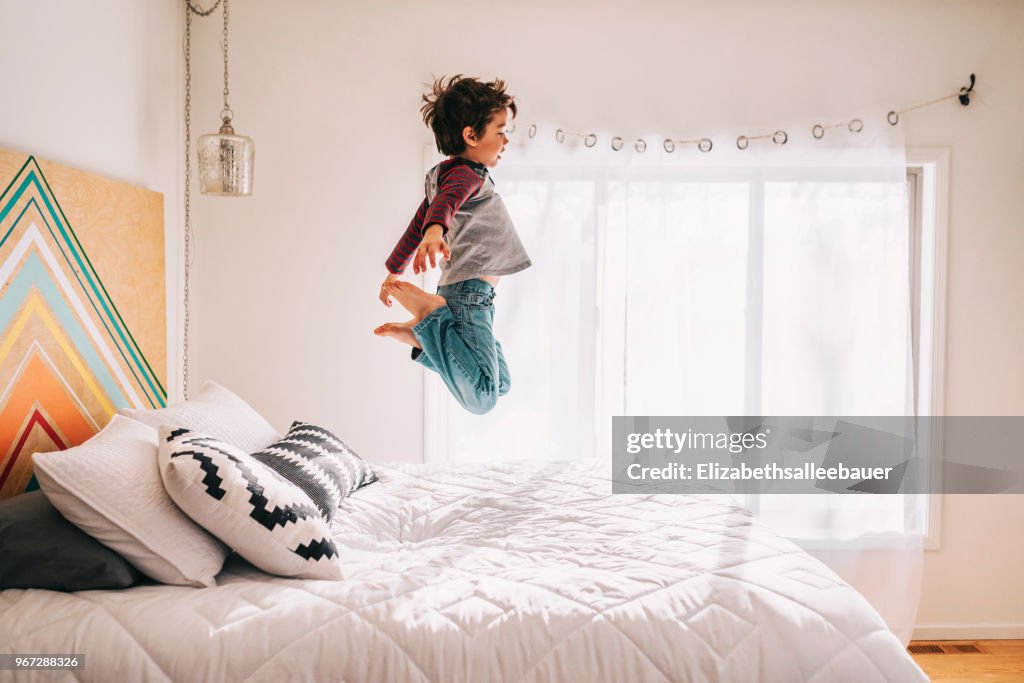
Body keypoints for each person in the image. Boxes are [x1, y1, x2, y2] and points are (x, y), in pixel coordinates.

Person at [374, 75, 531, 415]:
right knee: (483, 397)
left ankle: (423, 339)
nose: (505, 141)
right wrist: (434, 232)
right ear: (471, 135)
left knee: (500, 383)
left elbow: (420, 220)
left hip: (477, 297)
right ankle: (431, 318)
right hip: (467, 295)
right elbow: (440, 210)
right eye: (500, 131)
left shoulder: (444, 174)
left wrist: (393, 270)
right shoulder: (465, 175)